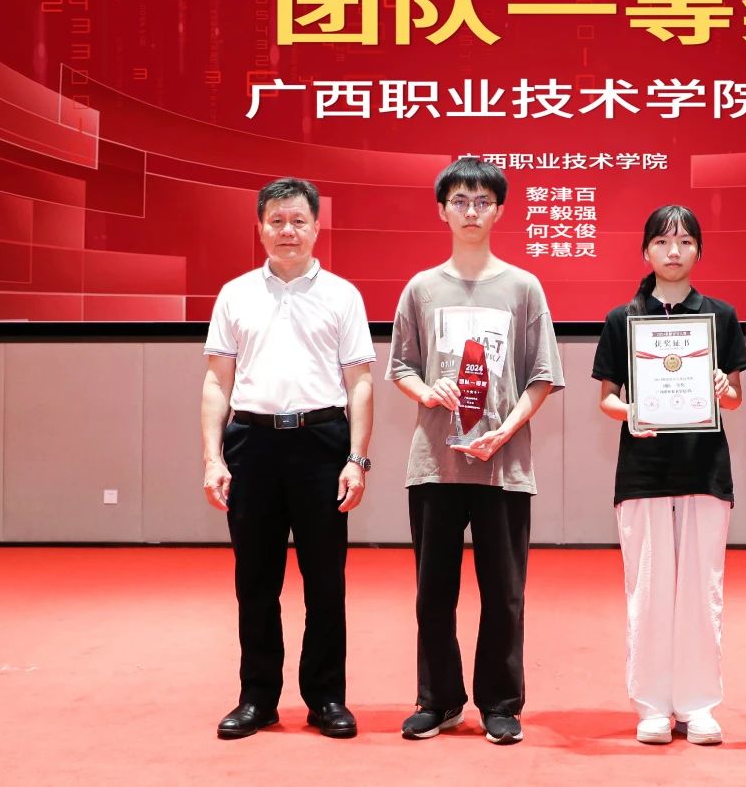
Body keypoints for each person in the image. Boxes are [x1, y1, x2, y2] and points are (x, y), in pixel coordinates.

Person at [386, 157, 564, 745]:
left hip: (502, 466)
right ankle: (437, 700)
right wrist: (425, 391)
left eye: (482, 201)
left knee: (504, 593)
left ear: (499, 211)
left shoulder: (523, 287)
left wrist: (505, 430)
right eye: (460, 201)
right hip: (434, 464)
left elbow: (541, 376)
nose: (471, 211)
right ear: (442, 210)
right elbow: (401, 366)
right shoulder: (421, 287)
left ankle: (500, 704)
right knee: (433, 593)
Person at [201, 177, 375, 740]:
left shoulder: (343, 296)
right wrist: (213, 458)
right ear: (260, 228)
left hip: (322, 443)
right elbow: (217, 382)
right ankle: (257, 699)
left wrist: (357, 459)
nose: (288, 231)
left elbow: (360, 383)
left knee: (325, 580)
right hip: (251, 445)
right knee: (255, 580)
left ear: (317, 226)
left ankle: (326, 698)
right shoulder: (235, 294)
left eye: (298, 220)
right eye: (276, 221)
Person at [591, 205, 746, 745]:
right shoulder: (622, 319)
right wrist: (631, 413)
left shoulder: (721, 317)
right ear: (646, 251)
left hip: (706, 471)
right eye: (661, 241)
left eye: (684, 241)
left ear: (699, 250)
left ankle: (699, 705)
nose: (673, 251)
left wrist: (724, 388)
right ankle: (653, 706)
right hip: (644, 473)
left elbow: (735, 398)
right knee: (650, 591)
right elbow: (607, 399)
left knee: (703, 591)